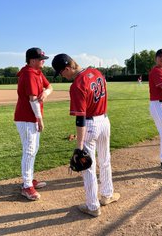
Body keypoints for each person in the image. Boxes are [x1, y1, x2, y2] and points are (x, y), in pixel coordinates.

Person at [52, 53, 120, 217]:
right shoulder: (96, 72)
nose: (61, 76)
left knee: (87, 166)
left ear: (68, 68)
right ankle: (107, 195)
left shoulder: (77, 85)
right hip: (104, 120)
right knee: (105, 159)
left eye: (61, 73)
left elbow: (80, 119)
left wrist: (78, 146)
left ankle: (92, 206)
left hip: (89, 124)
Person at [14, 47, 53, 200]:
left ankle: (29, 180)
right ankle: (26, 186)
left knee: (33, 149)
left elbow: (50, 87)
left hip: (31, 118)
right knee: (29, 150)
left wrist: (45, 92)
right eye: (41, 59)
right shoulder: (29, 74)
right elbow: (32, 99)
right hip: (26, 118)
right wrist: (40, 119)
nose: (43, 61)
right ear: (32, 60)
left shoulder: (37, 72)